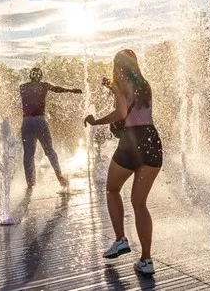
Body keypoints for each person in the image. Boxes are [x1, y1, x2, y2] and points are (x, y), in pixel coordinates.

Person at [84, 49, 162, 276]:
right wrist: (111, 86)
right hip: (152, 140)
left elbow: (120, 112)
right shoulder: (146, 85)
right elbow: (133, 104)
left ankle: (120, 239)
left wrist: (97, 121)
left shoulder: (121, 84)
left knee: (111, 188)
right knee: (140, 203)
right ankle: (146, 260)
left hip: (132, 142)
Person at [19, 67, 82, 190]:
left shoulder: (22, 87)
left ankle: (30, 183)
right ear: (41, 76)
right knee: (49, 150)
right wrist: (71, 90)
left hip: (26, 122)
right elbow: (57, 89)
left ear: (30, 76)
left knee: (28, 154)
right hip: (40, 121)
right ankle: (59, 176)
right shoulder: (43, 85)